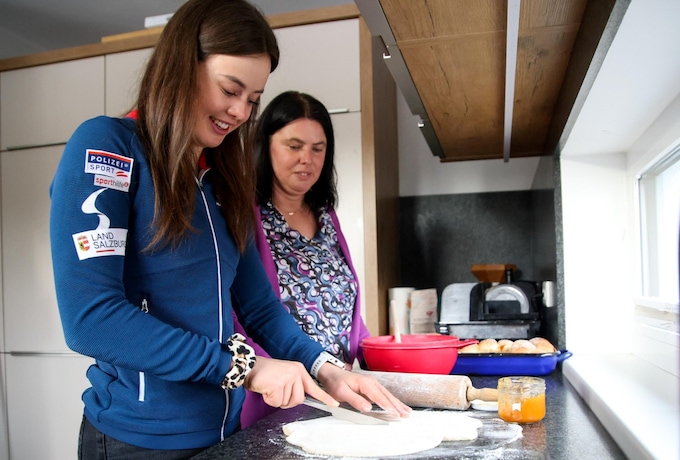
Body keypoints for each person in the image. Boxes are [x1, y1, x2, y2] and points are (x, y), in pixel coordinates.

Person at [48, 1, 409, 458]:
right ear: (183, 67)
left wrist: (324, 366)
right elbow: (91, 320)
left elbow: (258, 306)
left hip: (222, 433)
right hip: (134, 439)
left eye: (253, 99)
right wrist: (245, 368)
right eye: (230, 89)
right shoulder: (108, 147)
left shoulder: (220, 179)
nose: (239, 111)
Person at [233, 91, 371, 428]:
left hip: (339, 393)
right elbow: (241, 313)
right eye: (294, 146)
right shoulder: (243, 216)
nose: (306, 159)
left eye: (317, 149)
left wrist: (372, 352)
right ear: (265, 146)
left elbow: (343, 303)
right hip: (280, 398)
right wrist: (259, 370)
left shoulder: (326, 214)